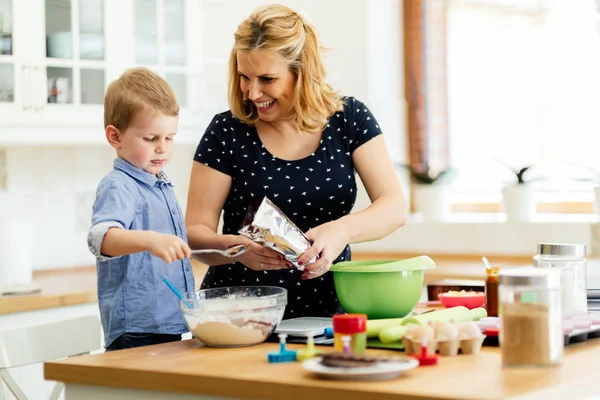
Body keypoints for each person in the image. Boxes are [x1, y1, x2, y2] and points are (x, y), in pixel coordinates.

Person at [185, 4, 407, 318]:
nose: (252, 92)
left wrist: (342, 230)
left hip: (329, 312)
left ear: (302, 72)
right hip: (238, 315)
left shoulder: (349, 119)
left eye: (267, 79)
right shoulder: (226, 131)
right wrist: (237, 249)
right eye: (244, 77)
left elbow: (394, 207)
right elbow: (194, 235)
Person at [88, 67, 194, 351]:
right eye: (151, 139)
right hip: (136, 328)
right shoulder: (118, 185)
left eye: (169, 138)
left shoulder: (159, 185)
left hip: (166, 322)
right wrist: (150, 240)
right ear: (115, 137)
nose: (163, 149)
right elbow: (102, 238)